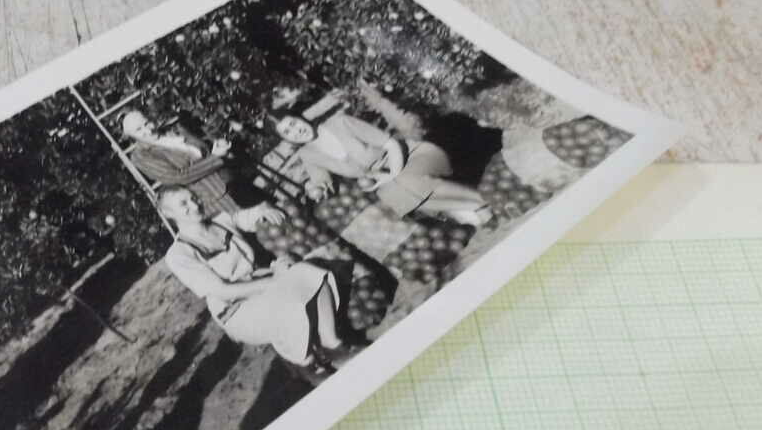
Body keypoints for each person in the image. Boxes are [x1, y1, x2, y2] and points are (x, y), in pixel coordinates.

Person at [158, 186, 350, 381]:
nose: (194, 205)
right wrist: (274, 280)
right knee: (287, 301)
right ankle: (307, 365)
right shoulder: (178, 255)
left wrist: (263, 211)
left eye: (193, 197)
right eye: (183, 204)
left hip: (262, 283)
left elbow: (244, 217)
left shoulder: (220, 220)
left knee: (309, 273)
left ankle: (333, 345)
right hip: (237, 309)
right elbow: (222, 291)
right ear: (168, 213)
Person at [269, 93, 493, 227]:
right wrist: (315, 190)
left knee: (404, 183)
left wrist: (393, 174)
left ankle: (476, 203)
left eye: (293, 123)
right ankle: (461, 211)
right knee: (392, 194)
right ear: (286, 139)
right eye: (287, 132)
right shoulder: (308, 154)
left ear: (300, 118)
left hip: (411, 156)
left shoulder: (341, 123)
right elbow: (320, 180)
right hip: (385, 180)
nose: (295, 131)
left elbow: (392, 144)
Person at [123, 109, 239, 216]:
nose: (148, 130)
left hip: (231, 180)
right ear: (131, 136)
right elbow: (178, 177)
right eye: (138, 130)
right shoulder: (141, 156)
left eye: (147, 123)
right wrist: (215, 158)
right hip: (213, 198)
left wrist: (217, 147)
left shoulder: (174, 130)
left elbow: (204, 150)